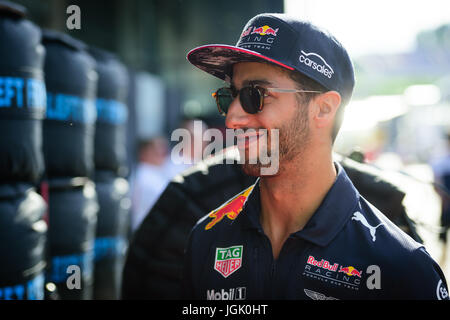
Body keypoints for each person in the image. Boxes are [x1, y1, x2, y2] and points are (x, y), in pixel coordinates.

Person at [182, 13, 449, 299]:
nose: (233, 118)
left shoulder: (401, 266)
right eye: (228, 96)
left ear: (323, 109)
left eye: (254, 95)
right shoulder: (207, 239)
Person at [130, 136, 171, 231]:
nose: (162, 154)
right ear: (144, 153)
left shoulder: (154, 173)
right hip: (148, 233)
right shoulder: (144, 174)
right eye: (157, 151)